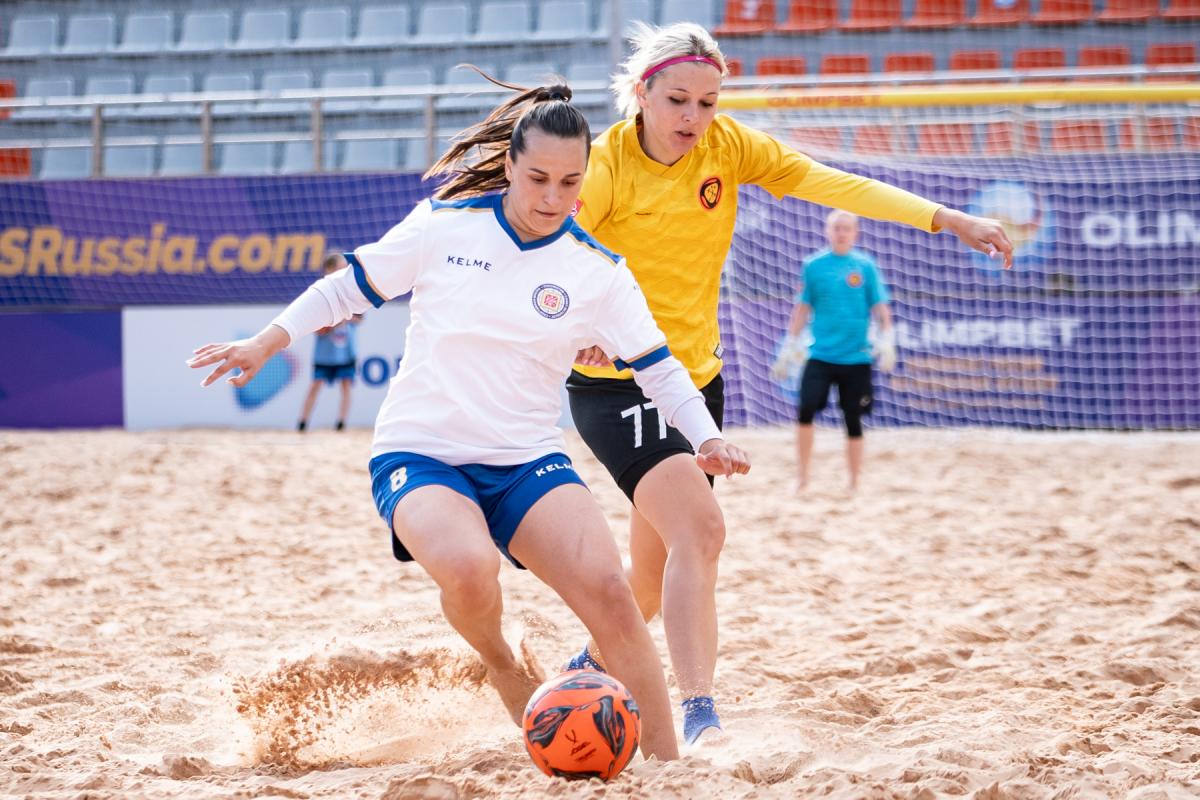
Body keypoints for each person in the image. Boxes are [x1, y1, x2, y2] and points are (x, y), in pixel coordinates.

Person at [186, 75, 752, 763]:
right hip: (421, 451)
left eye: (570, 183)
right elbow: (346, 289)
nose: (552, 198)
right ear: (509, 165)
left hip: (526, 459)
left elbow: (659, 368)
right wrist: (266, 340)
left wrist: (707, 437)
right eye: (538, 178)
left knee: (612, 594)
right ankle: (500, 660)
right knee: (469, 567)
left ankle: (667, 767)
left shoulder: (597, 271)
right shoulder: (443, 226)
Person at [563, 21, 1015, 745]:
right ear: (642, 93)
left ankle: (581, 671)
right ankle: (701, 716)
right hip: (616, 382)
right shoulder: (607, 163)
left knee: (652, 576)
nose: (693, 116)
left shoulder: (727, 147)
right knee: (702, 531)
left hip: (696, 381)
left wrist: (945, 217)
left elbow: (828, 181)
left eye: (707, 102)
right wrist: (576, 319)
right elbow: (557, 246)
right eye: (678, 100)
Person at [772, 210, 896, 492]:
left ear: (855, 233)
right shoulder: (813, 265)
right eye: (836, 228)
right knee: (805, 410)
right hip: (820, 354)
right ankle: (802, 477)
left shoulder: (865, 265)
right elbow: (803, 307)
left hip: (857, 357)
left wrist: (887, 338)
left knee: (853, 419)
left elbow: (880, 306)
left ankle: (854, 482)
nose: (841, 233)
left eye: (846, 228)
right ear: (828, 231)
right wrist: (789, 345)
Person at [297, 253, 362, 432]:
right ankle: (302, 422)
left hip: (346, 350)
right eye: (341, 267)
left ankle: (341, 423)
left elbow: (359, 319)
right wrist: (332, 322)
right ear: (329, 269)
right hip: (324, 352)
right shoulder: (319, 294)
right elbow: (316, 328)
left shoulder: (353, 292)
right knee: (315, 385)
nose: (345, 271)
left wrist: (343, 317)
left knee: (346, 385)